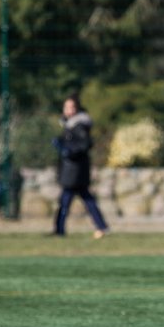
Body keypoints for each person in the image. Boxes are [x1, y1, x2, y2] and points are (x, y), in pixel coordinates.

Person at [51, 95, 109, 238]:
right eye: (66, 107)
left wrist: (67, 150)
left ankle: (60, 229)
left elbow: (84, 145)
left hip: (75, 170)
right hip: (71, 169)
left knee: (67, 200)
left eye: (71, 107)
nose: (68, 110)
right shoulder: (69, 125)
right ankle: (101, 226)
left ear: (77, 108)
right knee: (85, 199)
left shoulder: (79, 125)